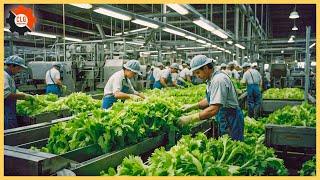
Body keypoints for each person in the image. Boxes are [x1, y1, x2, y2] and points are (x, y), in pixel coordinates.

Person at [179, 55, 244, 141]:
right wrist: (193, 106)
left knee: (232, 145)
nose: (197, 76)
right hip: (225, 117)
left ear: (205, 68)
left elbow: (213, 109)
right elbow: (212, 99)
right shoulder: (212, 79)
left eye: (198, 72)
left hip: (230, 118)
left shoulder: (218, 80)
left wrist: (190, 118)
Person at [4, 55, 35, 130]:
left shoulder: (8, 76)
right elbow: (5, 94)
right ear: (12, 65)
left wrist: (17, 92)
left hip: (9, 110)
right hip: (5, 111)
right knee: (9, 136)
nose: (19, 71)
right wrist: (23, 96)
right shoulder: (4, 75)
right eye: (19, 68)